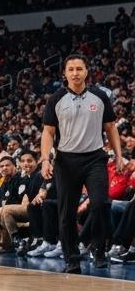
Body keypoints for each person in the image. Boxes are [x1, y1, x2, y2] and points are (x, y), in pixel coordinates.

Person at [41, 54, 127, 273]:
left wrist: (118, 155)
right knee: (66, 213)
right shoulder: (56, 99)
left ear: (87, 72)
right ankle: (72, 258)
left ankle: (98, 249)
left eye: (80, 68)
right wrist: (45, 160)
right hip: (66, 161)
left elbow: (110, 127)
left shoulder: (99, 96)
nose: (75, 73)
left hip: (95, 158)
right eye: (71, 69)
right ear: (65, 73)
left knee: (100, 204)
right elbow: (48, 132)